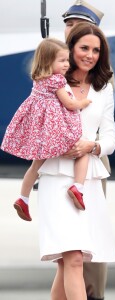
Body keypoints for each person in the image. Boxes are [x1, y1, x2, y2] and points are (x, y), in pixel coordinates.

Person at [37, 22, 115, 300]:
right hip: (57, 177)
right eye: (84, 48)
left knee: (70, 262)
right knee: (72, 259)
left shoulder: (103, 87)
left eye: (96, 50)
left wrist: (91, 146)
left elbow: (110, 139)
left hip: (88, 181)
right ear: (70, 49)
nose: (90, 55)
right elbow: (36, 126)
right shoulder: (52, 82)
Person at [1, 38, 91, 222]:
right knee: (83, 151)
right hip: (54, 130)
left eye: (67, 60)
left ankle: (23, 198)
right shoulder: (57, 80)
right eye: (62, 60)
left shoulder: (38, 79)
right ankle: (78, 188)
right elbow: (69, 104)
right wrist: (84, 102)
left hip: (40, 132)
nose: (67, 64)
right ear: (48, 61)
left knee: (35, 165)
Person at [62, 2, 112, 299]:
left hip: (90, 159)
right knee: (63, 249)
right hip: (57, 161)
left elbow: (104, 129)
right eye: (69, 24)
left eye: (78, 24)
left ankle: (92, 293)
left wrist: (91, 146)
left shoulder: (100, 73)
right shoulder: (54, 64)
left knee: (90, 239)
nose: (71, 28)